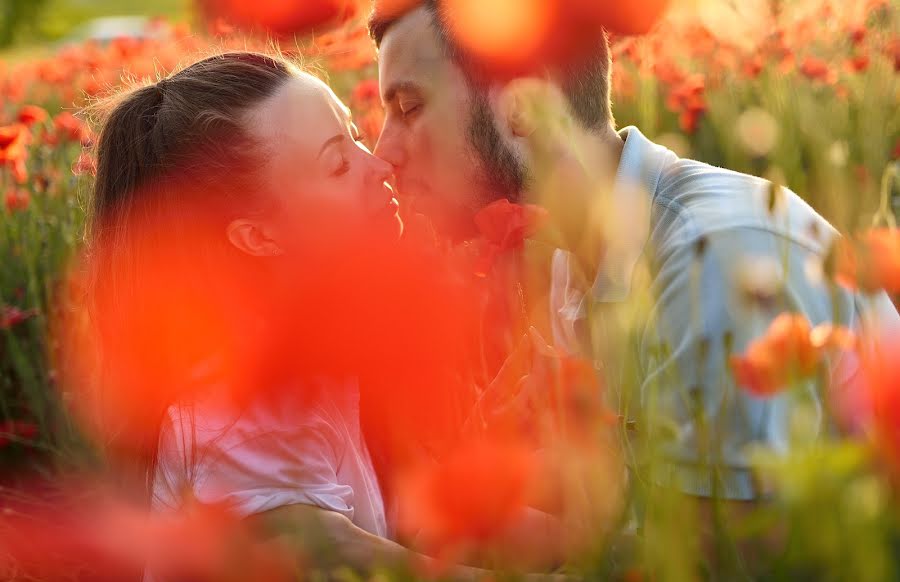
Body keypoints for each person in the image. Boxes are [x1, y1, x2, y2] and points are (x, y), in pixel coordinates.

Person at [368, 0, 899, 515]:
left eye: (410, 108)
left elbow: (728, 560)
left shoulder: (707, 256)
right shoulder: (573, 270)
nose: (383, 151)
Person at [83, 51, 571, 581]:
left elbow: (414, 514)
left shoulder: (312, 356)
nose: (381, 166)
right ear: (260, 236)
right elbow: (333, 552)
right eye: (338, 164)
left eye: (355, 139)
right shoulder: (229, 405)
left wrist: (609, 541)